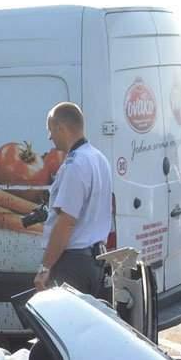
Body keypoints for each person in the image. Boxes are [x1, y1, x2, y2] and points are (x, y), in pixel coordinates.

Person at [33, 101, 113, 298]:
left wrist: (45, 268)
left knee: (66, 326)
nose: (49, 136)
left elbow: (66, 222)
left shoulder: (75, 164)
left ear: (61, 128)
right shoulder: (99, 158)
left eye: (50, 130)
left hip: (72, 263)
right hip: (95, 261)